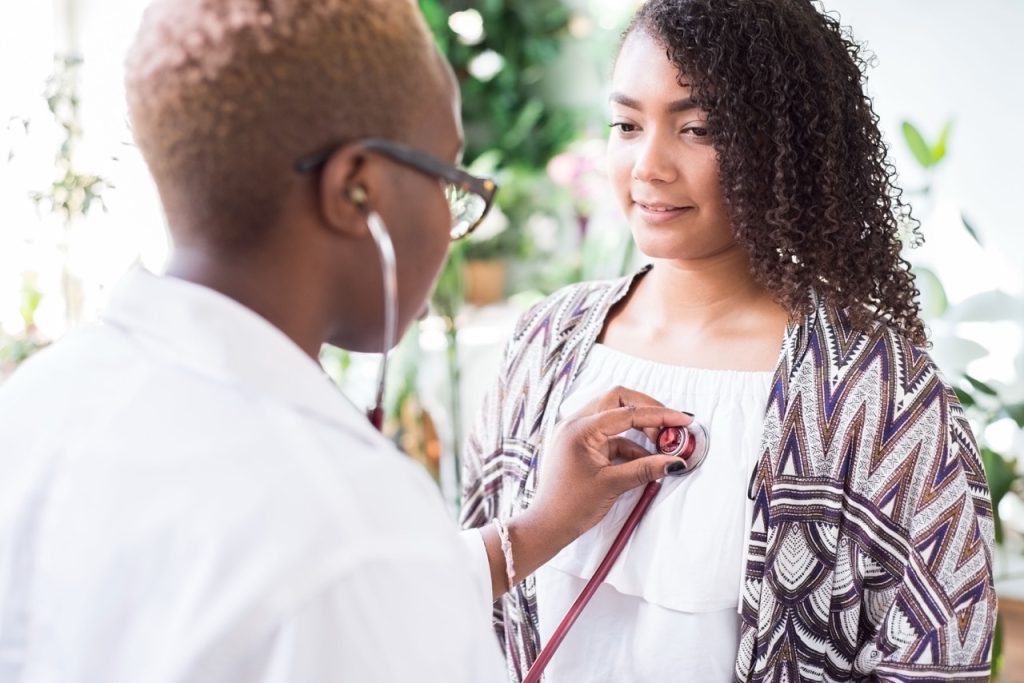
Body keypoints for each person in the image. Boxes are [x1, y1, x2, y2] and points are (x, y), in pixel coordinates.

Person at [0, 1, 694, 681]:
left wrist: (543, 524)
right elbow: (355, 580)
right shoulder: (345, 522)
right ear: (357, 191)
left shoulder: (35, 403)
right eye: (449, 179)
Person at [461, 0, 996, 681]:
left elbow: (938, 656)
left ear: (786, 144)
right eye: (626, 124)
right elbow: (466, 613)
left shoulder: (876, 394)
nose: (647, 165)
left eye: (699, 128)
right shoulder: (543, 345)